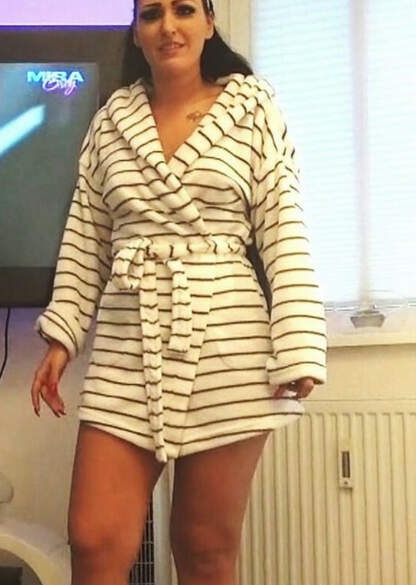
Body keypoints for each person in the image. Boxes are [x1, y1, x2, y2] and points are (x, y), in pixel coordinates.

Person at [30, 2, 327, 585]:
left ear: (209, 23)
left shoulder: (252, 108)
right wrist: (63, 336)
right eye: (151, 14)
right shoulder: (111, 122)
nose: (168, 26)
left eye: (185, 9)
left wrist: (298, 345)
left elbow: (283, 225)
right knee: (92, 538)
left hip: (227, 340)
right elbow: (87, 235)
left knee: (204, 546)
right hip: (127, 338)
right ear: (136, 33)